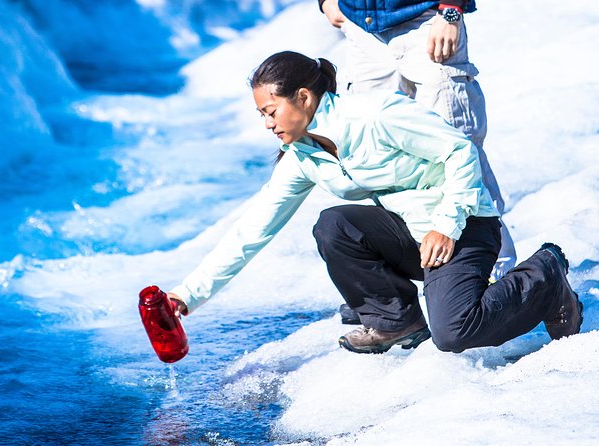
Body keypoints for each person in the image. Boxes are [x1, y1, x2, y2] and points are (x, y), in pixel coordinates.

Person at [166, 51, 582, 354]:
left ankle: (545, 275)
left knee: (456, 333)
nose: (267, 123)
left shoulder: (375, 115)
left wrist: (447, 224)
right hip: (411, 235)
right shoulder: (303, 157)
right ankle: (396, 321)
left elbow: (459, 151)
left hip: (462, 227)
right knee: (334, 225)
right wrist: (188, 295)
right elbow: (253, 229)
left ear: (304, 97)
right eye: (262, 114)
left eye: (271, 111)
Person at [318, 0, 517, 283]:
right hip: (362, 28)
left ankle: (499, 276)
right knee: (375, 155)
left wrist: (451, 10)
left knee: (454, 147)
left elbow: (461, 155)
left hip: (425, 20)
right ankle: (405, 301)